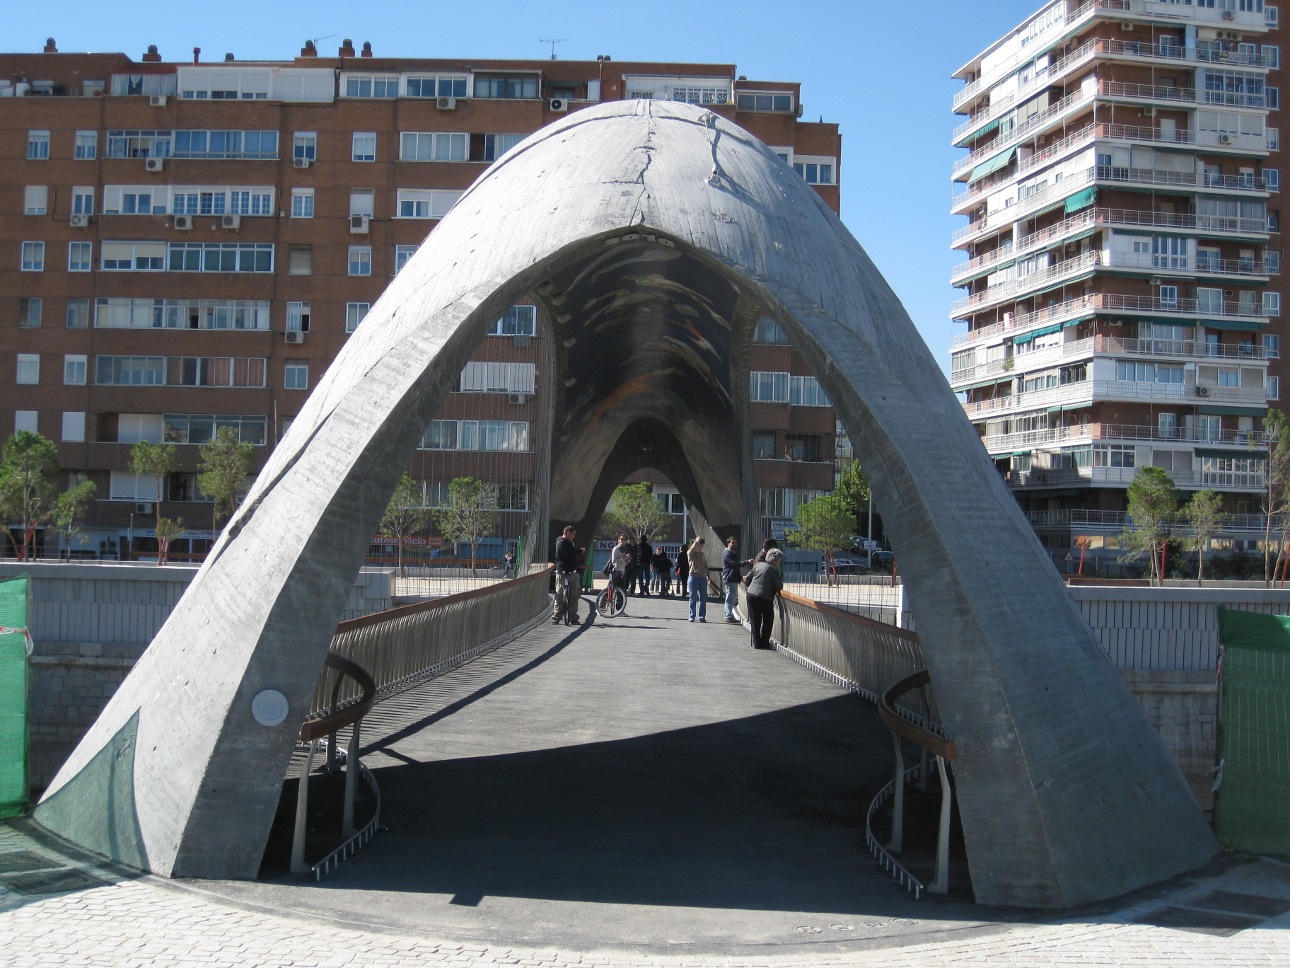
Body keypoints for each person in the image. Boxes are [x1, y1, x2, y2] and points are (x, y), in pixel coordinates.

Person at [745, 548, 785, 649]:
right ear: (775, 561)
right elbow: (779, 586)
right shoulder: (773, 569)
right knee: (768, 620)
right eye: (779, 561)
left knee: (755, 620)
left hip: (751, 595)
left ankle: (757, 643)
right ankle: (764, 642)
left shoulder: (758, 565)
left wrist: (750, 588)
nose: (779, 562)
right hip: (764, 597)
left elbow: (748, 578)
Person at [552, 526, 583, 624]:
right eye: (573, 534)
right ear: (568, 532)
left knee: (574, 594)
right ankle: (557, 616)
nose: (574, 536)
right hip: (563, 572)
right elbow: (568, 554)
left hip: (572, 572)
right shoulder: (561, 542)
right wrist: (579, 552)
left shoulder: (570, 543)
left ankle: (573, 616)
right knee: (560, 594)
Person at [687, 537, 709, 623]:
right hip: (693, 576)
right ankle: (691, 616)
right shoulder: (691, 553)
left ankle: (702, 616)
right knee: (693, 597)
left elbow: (705, 565)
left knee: (703, 598)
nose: (702, 546)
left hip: (702, 577)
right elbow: (691, 550)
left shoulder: (702, 554)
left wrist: (708, 575)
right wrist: (696, 541)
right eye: (701, 545)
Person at [721, 537, 742, 624]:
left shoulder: (731, 553)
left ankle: (728, 615)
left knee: (730, 597)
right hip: (730, 577)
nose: (734, 544)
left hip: (731, 577)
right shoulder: (728, 553)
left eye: (735, 542)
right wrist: (747, 562)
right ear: (728, 544)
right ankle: (728, 616)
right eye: (732, 542)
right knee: (730, 597)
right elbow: (734, 564)